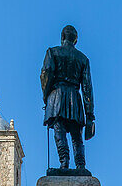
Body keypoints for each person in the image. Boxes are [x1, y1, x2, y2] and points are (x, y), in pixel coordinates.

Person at [41, 25, 95, 169]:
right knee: (77, 136)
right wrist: (89, 114)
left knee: (59, 131)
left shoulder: (52, 52)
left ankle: (64, 162)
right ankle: (80, 164)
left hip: (56, 96)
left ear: (62, 37)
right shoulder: (83, 59)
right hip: (75, 98)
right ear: (75, 40)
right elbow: (87, 88)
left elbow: (46, 74)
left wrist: (46, 96)